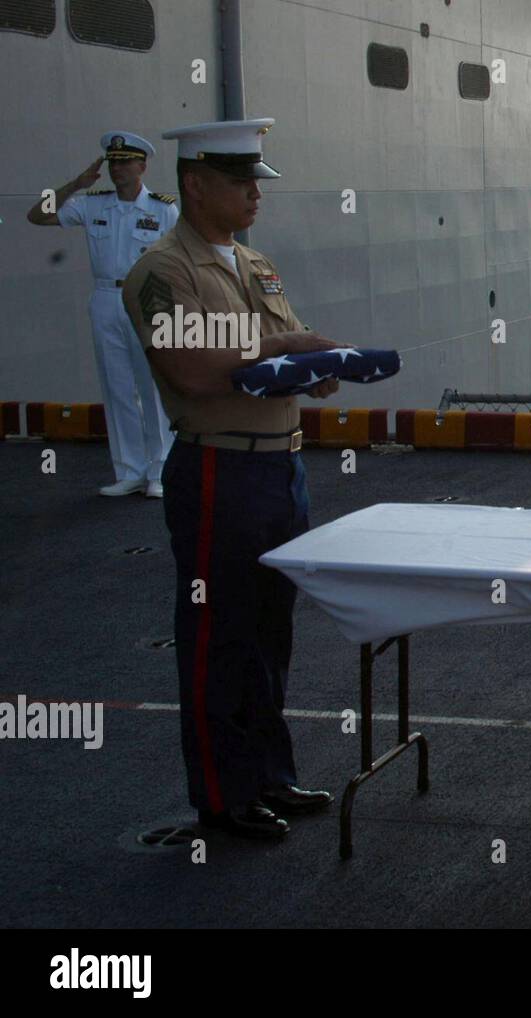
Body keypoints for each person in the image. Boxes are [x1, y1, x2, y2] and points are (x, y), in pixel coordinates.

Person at [122, 118, 344, 840]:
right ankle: (223, 794)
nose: (256, 193)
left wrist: (320, 368)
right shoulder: (164, 271)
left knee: (269, 628)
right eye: (241, 181)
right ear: (195, 185)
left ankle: (270, 774)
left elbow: (277, 351)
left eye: (258, 180)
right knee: (220, 631)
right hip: (219, 466)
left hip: (279, 465)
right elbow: (189, 364)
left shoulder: (255, 265)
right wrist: (287, 345)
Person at [27, 132, 177, 497]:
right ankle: (129, 470)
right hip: (106, 297)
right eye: (113, 162)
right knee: (117, 386)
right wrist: (76, 183)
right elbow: (38, 215)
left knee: (152, 387)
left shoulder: (163, 208)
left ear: (142, 166)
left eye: (125, 162)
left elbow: (180, 257)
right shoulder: (92, 204)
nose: (117, 168)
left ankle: (159, 471)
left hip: (147, 297)